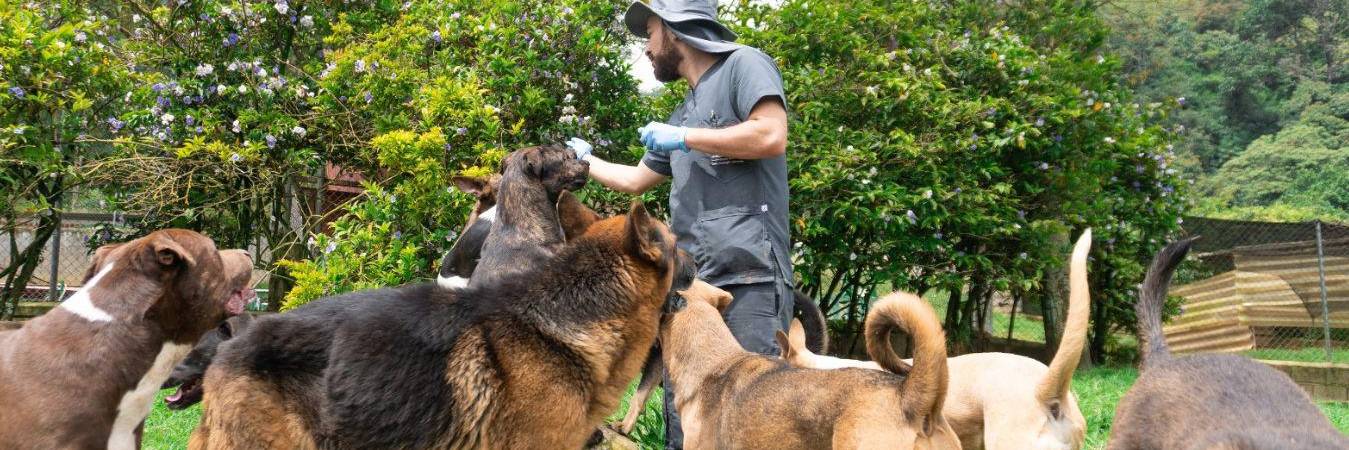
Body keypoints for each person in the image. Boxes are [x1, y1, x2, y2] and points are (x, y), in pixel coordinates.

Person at [566, 1, 791, 447]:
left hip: (750, 275)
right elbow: (634, 181)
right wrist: (586, 161)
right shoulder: (682, 113)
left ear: (675, 28)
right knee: (684, 418)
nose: (646, 48)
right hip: (693, 286)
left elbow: (770, 134)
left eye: (649, 33)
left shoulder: (743, 65)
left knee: (752, 418)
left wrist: (686, 138)